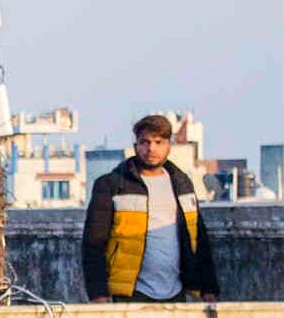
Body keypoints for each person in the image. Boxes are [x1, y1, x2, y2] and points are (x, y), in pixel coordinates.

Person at [82, 114, 219, 303]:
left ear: (168, 145)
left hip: (176, 290)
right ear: (136, 145)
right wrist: (98, 294)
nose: (151, 149)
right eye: (145, 142)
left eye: (158, 142)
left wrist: (208, 288)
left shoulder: (181, 183)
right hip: (132, 292)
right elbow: (94, 244)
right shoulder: (111, 185)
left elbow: (198, 238)